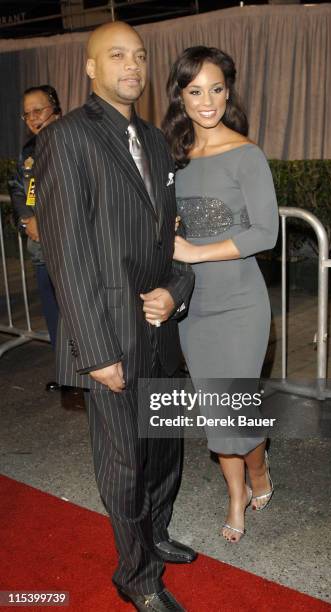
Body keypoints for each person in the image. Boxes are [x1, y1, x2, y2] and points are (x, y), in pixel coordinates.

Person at [35, 22, 195, 612]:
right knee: (124, 461)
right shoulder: (67, 138)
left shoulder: (156, 142)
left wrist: (176, 289)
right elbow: (67, 252)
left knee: (164, 446)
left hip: (161, 329)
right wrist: (96, 351)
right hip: (110, 336)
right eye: (117, 55)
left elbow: (174, 241)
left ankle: (155, 536)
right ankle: (137, 577)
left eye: (141, 55)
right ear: (90, 67)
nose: (133, 65)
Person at [162, 46, 279, 543]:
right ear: (180, 97)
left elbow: (265, 234)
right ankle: (237, 492)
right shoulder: (175, 156)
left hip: (240, 305)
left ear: (228, 92)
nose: (206, 101)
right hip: (195, 308)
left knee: (232, 408)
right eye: (194, 91)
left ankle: (257, 473)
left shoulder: (246, 153)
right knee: (215, 410)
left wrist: (193, 252)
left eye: (215, 89)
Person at [8, 85, 62, 391]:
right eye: (27, 113)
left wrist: (48, 218)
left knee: (78, 313)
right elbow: (18, 189)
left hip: (71, 248)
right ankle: (67, 373)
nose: (32, 118)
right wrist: (27, 219)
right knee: (53, 313)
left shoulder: (73, 140)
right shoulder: (29, 150)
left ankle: (91, 374)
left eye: (38, 110)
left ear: (55, 107)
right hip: (40, 249)